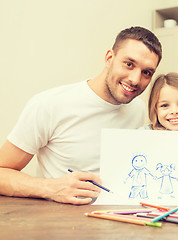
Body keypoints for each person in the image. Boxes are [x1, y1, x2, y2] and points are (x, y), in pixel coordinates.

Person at [0, 26, 162, 205]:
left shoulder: (138, 110)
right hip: (60, 223)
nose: (135, 79)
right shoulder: (49, 105)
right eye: (129, 64)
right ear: (109, 58)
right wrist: (50, 188)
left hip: (118, 220)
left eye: (146, 72)